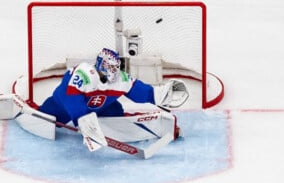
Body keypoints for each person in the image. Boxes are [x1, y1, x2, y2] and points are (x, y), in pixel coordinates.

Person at [38, 47, 188, 146]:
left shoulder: (120, 79)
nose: (114, 71)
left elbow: (141, 92)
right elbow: (69, 98)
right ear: (101, 64)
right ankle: (37, 113)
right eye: (110, 67)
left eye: (116, 67)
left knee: (116, 114)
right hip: (63, 108)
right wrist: (84, 122)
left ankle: (150, 124)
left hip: (104, 109)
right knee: (46, 121)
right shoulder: (82, 73)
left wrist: (160, 95)